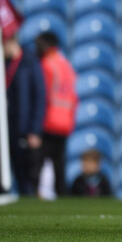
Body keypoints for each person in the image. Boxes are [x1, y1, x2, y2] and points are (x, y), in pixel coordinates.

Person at [0, 34, 46, 195]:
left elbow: (39, 97)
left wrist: (34, 130)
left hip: (20, 126)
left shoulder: (29, 62)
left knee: (24, 173)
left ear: (11, 42)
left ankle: (28, 206)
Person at [35, 32, 78, 198]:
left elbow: (41, 95)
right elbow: (73, 96)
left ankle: (35, 195)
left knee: (38, 163)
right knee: (59, 165)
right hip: (65, 121)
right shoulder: (66, 64)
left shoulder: (46, 64)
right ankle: (62, 197)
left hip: (49, 120)